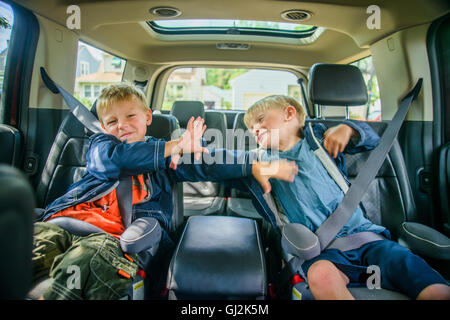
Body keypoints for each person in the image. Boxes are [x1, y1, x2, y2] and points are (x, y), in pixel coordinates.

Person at [32, 84, 298, 300]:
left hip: (109, 238)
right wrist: (174, 146)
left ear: (148, 117)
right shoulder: (101, 145)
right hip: (61, 222)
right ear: (102, 127)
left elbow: (208, 162)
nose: (121, 125)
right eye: (112, 121)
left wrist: (252, 164)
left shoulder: (166, 157)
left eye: (130, 116)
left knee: (87, 261)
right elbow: (114, 160)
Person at [243, 94, 450, 300]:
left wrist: (349, 128)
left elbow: (372, 141)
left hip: (369, 240)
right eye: (251, 128)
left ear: (289, 113)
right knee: (321, 275)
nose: (255, 130)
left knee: (428, 283)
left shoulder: (320, 139)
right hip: (322, 252)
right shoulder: (258, 162)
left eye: (260, 120)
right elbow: (222, 167)